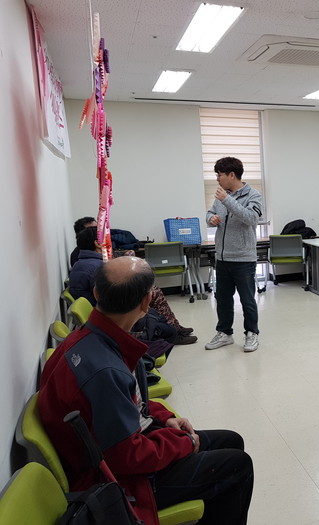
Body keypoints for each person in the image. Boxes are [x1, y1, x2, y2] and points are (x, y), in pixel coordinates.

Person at [39, 257, 254, 525]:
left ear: (96, 293)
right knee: (238, 466)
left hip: (121, 445)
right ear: (146, 302)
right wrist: (184, 443)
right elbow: (127, 456)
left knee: (231, 440)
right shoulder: (105, 371)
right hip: (122, 482)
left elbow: (128, 403)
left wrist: (165, 418)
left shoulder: (88, 339)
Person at [69, 226, 197, 345]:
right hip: (111, 315)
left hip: (99, 312)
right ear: (97, 243)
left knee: (153, 291)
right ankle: (173, 330)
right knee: (153, 291)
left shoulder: (83, 262)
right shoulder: (97, 267)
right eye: (107, 239)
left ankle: (174, 326)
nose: (110, 242)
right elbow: (115, 295)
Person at [205, 156, 264, 352]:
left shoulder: (253, 195)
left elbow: (251, 218)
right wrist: (211, 218)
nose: (217, 179)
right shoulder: (221, 196)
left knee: (247, 300)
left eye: (219, 175)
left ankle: (251, 333)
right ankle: (224, 333)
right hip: (222, 258)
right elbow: (209, 213)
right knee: (222, 299)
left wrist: (227, 200)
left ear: (232, 175)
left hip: (243, 259)